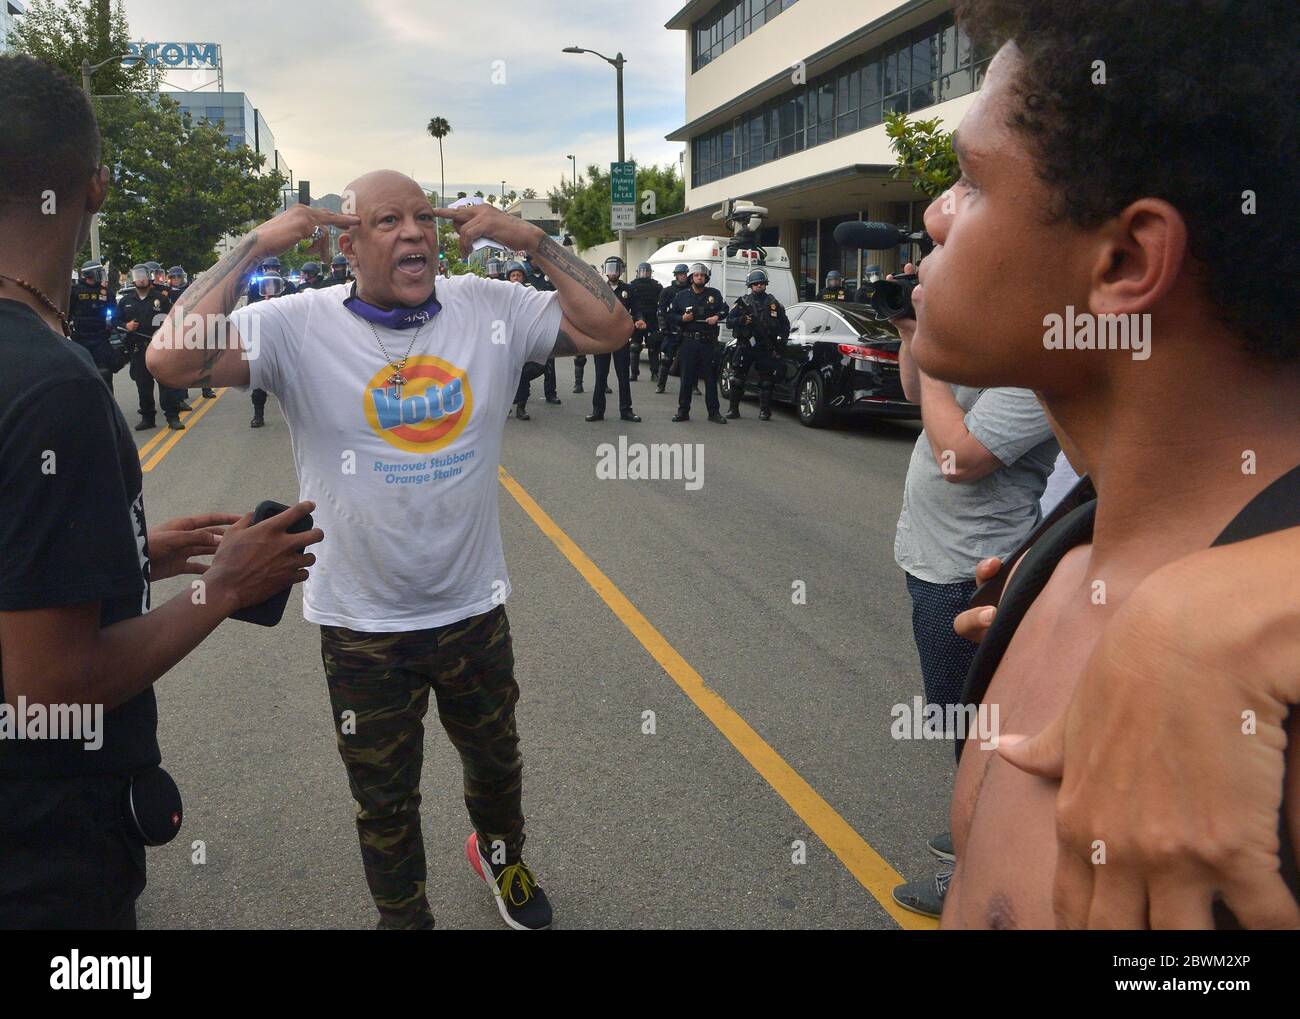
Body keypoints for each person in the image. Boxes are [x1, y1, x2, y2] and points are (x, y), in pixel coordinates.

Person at [149, 169, 633, 931]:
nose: (413, 233)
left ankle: (501, 856)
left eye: (423, 218)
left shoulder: (488, 307)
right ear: (347, 242)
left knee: (497, 767)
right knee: (383, 798)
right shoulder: (297, 323)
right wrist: (254, 245)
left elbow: (611, 329)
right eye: (386, 222)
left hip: (472, 607)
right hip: (361, 623)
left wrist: (531, 239)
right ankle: (403, 918)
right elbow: (169, 361)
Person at [910, 0, 1300, 929]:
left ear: (1123, 261)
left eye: (970, 180)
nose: (933, 216)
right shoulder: (1066, 554)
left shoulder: (1262, 692)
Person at [0, 52, 321, 931]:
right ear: (95, 187)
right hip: (43, 857)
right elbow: (47, 687)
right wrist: (222, 587)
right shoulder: (49, 385)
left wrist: (126, 557)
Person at [117, 263, 185, 430]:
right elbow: (114, 321)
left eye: (143, 275)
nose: (140, 279)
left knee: (165, 383)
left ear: (149, 277)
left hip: (159, 347)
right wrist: (126, 326)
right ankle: (148, 418)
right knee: (143, 385)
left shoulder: (160, 299)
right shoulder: (126, 301)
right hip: (138, 349)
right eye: (137, 276)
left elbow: (172, 320)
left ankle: (172, 417)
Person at [724, 268, 789, 421]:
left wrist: (780, 345)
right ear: (750, 286)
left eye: (761, 283)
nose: (759, 286)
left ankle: (764, 411)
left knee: (766, 381)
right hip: (746, 345)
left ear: (765, 284)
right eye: (755, 284)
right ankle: (733, 410)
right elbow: (729, 322)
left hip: (765, 347)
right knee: (737, 379)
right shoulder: (743, 302)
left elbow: (785, 326)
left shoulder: (774, 304)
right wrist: (742, 321)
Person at [668, 263, 727, 424]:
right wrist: (682, 319)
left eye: (702, 275)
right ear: (691, 278)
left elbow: (725, 309)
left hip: (708, 342)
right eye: (696, 275)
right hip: (689, 341)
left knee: (710, 378)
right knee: (686, 378)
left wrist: (717, 317)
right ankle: (683, 412)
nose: (699, 277)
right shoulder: (682, 296)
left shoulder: (714, 294)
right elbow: (670, 315)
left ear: (706, 278)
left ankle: (714, 412)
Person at [587, 256, 640, 423]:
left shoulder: (629, 289)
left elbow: (637, 309)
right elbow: (591, 311)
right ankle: (597, 410)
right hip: (602, 338)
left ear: (621, 270)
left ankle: (626, 410)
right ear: (605, 270)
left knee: (623, 376)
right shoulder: (599, 288)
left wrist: (639, 319)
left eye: (615, 269)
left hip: (621, 338)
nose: (612, 272)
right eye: (609, 269)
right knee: (600, 375)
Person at [246, 257, 297, 428]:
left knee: (293, 376)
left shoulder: (288, 286)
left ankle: (299, 416)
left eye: (274, 267)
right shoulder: (255, 287)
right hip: (262, 334)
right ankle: (258, 414)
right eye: (268, 267)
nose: (271, 270)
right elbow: (249, 311)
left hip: (284, 334)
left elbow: (297, 310)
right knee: (259, 377)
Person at [506, 261, 560, 418]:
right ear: (508, 277)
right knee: (507, 376)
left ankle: (521, 406)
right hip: (508, 338)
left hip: (528, 336)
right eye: (513, 275)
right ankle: (507, 405)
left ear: (523, 277)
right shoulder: (501, 293)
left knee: (530, 371)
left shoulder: (530, 293)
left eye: (519, 275)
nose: (516, 278)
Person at [67, 260, 114, 389]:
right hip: (81, 339)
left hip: (101, 338)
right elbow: (67, 313)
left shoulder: (106, 292)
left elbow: (115, 314)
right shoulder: (75, 291)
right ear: (91, 274)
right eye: (99, 272)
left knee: (105, 373)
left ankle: (108, 405)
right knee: (83, 375)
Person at [626, 262, 663, 381]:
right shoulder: (632, 286)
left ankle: (654, 373)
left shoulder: (656, 286)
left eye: (647, 271)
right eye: (642, 271)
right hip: (637, 318)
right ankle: (634, 373)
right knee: (635, 346)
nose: (645, 273)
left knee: (653, 347)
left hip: (652, 319)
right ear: (638, 272)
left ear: (650, 273)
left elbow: (662, 303)